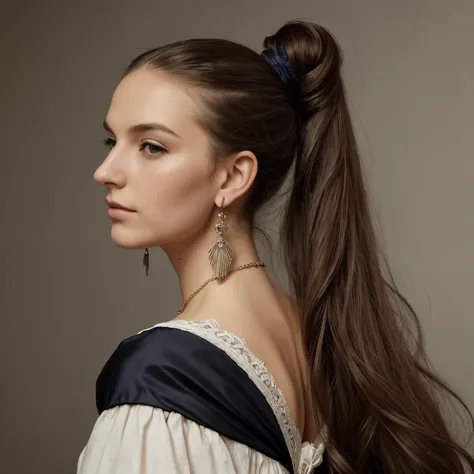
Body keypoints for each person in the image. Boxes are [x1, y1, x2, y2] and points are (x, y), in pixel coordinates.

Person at [78, 19, 474, 474]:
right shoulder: (331, 340)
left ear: (232, 176)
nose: (106, 170)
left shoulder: (159, 380)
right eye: (111, 140)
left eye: (150, 146)